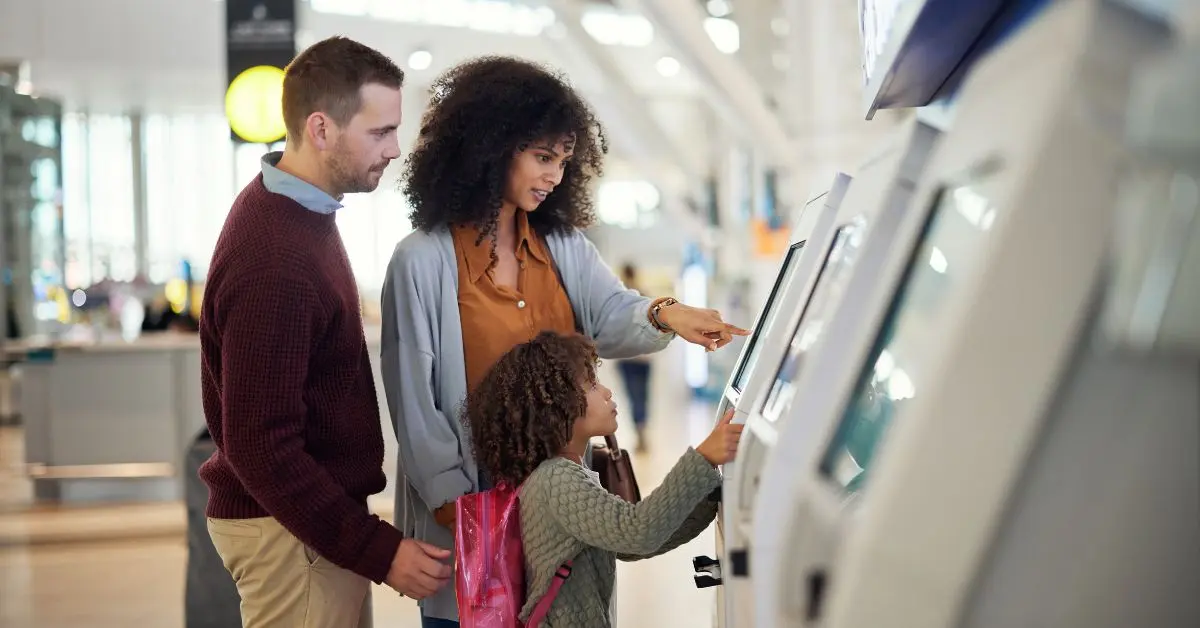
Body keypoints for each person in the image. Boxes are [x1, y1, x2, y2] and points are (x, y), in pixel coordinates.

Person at [379, 55, 749, 627]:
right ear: (491, 147)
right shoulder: (421, 260)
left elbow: (610, 312)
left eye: (564, 161)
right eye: (542, 157)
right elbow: (415, 406)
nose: (554, 175)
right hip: (475, 508)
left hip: (561, 502)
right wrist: (466, 514)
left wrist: (667, 313)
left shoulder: (563, 246)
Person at [198, 36, 451, 628]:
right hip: (291, 536)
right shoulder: (276, 256)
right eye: (380, 132)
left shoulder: (300, 212)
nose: (394, 149)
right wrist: (378, 551)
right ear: (320, 129)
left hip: (306, 528)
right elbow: (262, 446)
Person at [464, 331, 743, 627]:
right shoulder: (556, 479)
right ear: (556, 407)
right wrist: (703, 458)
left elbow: (627, 543)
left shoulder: (564, 471)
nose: (607, 392)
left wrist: (708, 500)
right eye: (592, 385)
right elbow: (637, 531)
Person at [615, 263, 654, 452]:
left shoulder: (619, 299)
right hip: (643, 358)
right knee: (642, 396)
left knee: (633, 396)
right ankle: (642, 433)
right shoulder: (644, 297)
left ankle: (640, 434)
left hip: (626, 357)